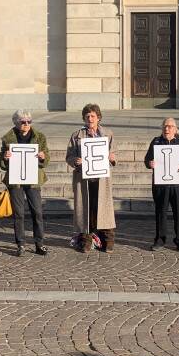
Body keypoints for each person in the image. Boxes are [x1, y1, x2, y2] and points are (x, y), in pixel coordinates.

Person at [66, 104, 117, 252]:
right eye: (87, 116)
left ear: (98, 117)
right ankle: (86, 240)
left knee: (103, 209)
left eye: (93, 116)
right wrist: (75, 160)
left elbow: (115, 154)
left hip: (102, 180)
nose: (90, 118)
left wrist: (112, 158)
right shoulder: (77, 135)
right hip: (84, 180)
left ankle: (107, 239)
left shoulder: (107, 134)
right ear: (84, 118)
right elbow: (69, 156)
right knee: (85, 209)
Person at [0, 110, 49, 256]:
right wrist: (5, 158)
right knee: (18, 214)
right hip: (16, 181)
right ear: (16, 122)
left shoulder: (39, 137)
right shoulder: (8, 138)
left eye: (29, 121)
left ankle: (39, 243)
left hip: (33, 180)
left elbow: (46, 159)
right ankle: (20, 244)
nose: (26, 124)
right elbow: (1, 164)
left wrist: (42, 157)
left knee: (37, 212)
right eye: (23, 121)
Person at [144, 117, 179, 251]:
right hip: (161, 185)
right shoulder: (156, 142)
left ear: (175, 129)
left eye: (170, 126)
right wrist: (150, 163)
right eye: (165, 126)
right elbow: (147, 159)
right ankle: (160, 240)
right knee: (161, 212)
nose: (167, 129)